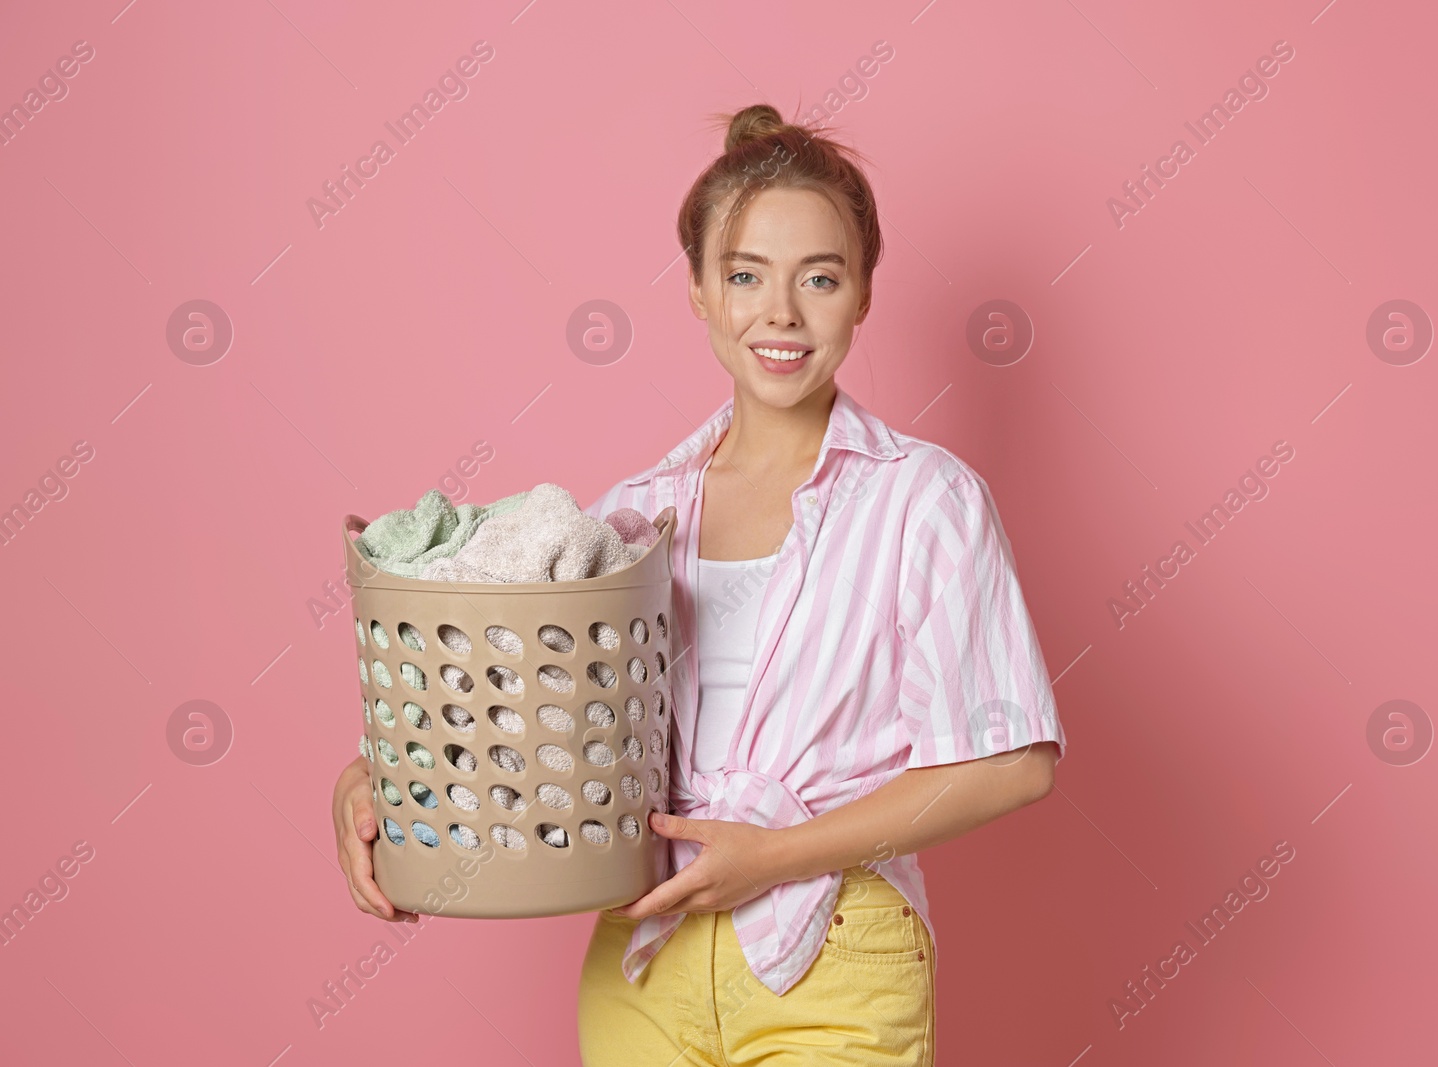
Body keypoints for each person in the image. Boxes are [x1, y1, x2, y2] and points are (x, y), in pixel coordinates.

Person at [331, 103, 1066, 1066]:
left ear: (863, 295)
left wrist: (775, 856)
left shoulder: (925, 500)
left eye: (821, 277)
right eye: (746, 275)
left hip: (832, 953)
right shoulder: (630, 518)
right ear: (699, 293)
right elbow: (509, 723)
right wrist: (367, 783)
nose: (782, 313)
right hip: (642, 956)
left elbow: (1014, 760)